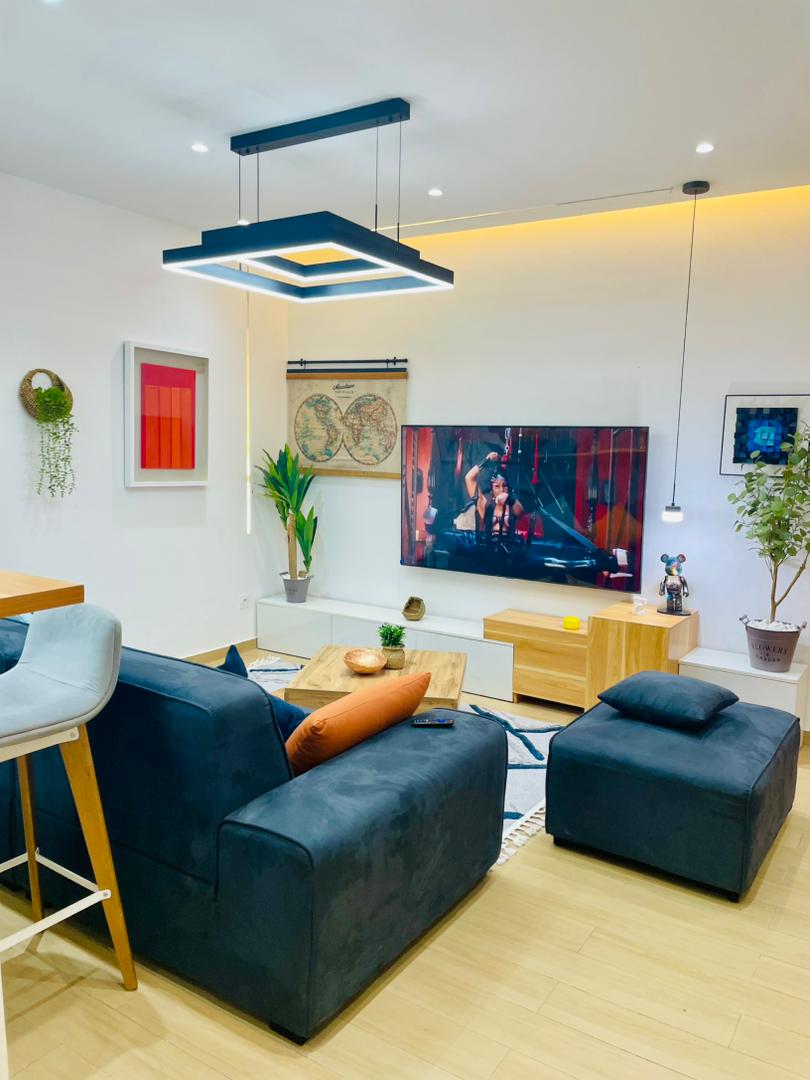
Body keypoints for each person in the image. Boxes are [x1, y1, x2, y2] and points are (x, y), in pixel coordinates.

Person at [464, 451, 524, 541]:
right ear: (491, 489)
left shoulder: (512, 505)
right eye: (497, 486)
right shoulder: (485, 505)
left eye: (504, 486)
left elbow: (521, 512)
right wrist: (486, 460)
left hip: (509, 546)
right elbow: (469, 478)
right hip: (489, 545)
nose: (501, 490)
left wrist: (509, 499)